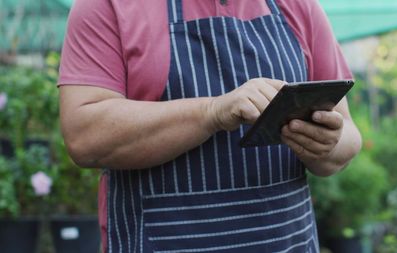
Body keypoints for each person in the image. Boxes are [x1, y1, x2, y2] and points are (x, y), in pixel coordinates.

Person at [58, 0, 362, 252]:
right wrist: (212, 112)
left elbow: (346, 136)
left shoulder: (297, 7)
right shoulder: (109, 7)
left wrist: (326, 143)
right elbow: (86, 137)